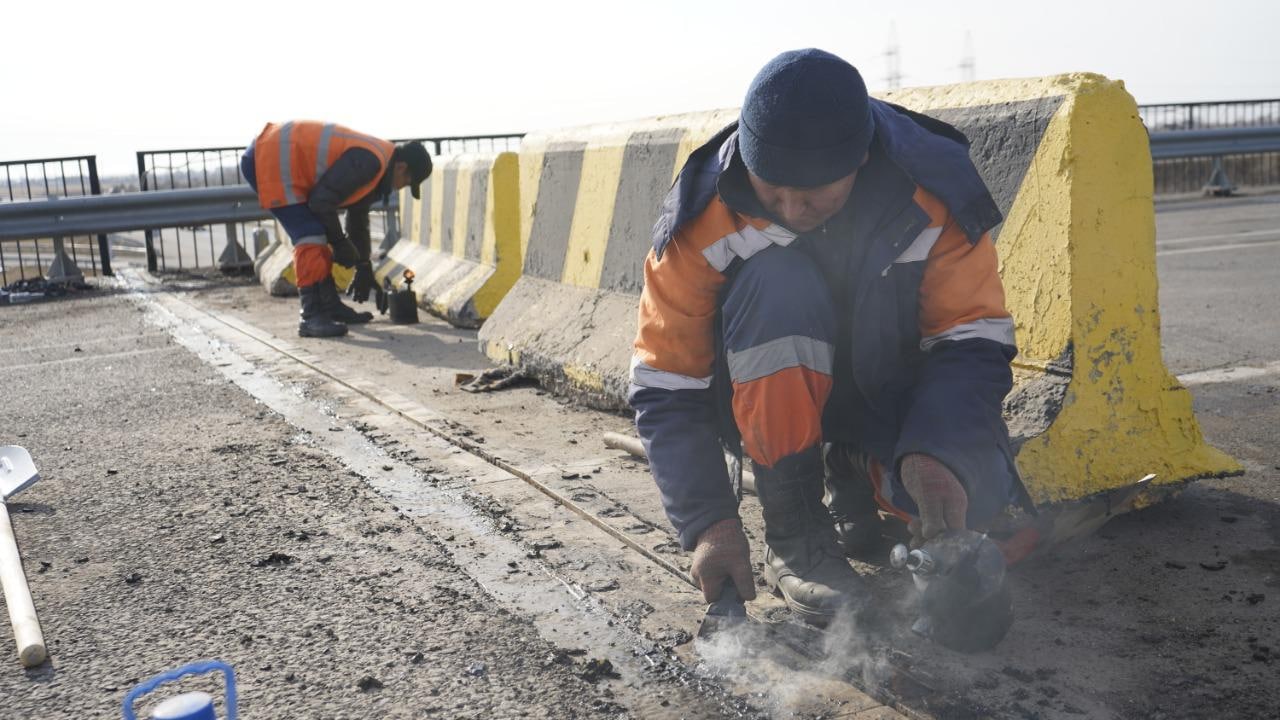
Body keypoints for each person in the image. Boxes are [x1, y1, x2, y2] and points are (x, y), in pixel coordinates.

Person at [630, 49, 1032, 626]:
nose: (793, 209)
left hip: (888, 391)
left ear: (861, 159)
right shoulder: (699, 217)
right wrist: (709, 525)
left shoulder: (935, 192)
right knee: (779, 281)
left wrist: (940, 460)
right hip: (765, 403)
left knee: (973, 502)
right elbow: (667, 384)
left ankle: (859, 468)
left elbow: (972, 342)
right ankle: (797, 535)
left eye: (815, 193)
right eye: (772, 192)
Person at [240, 121, 432, 337]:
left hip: (276, 155)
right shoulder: (370, 162)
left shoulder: (379, 163)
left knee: (318, 233)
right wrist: (340, 243)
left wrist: (363, 265)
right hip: (269, 158)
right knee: (311, 235)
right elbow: (321, 201)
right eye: (406, 182)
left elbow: (358, 216)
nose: (401, 187)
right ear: (402, 167)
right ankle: (310, 316)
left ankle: (329, 307)